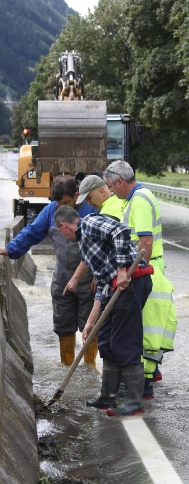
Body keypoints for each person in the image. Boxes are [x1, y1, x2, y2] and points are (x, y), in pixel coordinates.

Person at [54, 205, 152, 416]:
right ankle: (107, 396)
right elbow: (102, 283)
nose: (62, 235)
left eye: (60, 231)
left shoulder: (89, 223)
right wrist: (91, 321)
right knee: (106, 341)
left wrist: (122, 270)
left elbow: (121, 231)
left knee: (125, 342)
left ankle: (134, 401)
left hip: (131, 284)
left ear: (64, 226)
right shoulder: (84, 245)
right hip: (114, 287)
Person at [0, 176, 99, 366]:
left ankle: (90, 370)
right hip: (62, 280)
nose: (62, 207)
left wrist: (100, 275)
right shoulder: (51, 211)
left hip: (89, 282)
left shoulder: (92, 210)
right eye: (58, 203)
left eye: (66, 203)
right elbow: (32, 232)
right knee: (63, 326)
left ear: (77, 195)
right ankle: (67, 366)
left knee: (91, 327)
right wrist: (10, 249)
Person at [103, 160, 166, 391]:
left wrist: (139, 273)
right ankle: (147, 380)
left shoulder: (138, 200)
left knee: (141, 329)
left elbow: (145, 241)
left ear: (120, 181)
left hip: (147, 270)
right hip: (152, 268)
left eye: (111, 186)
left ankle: (143, 385)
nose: (110, 191)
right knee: (147, 327)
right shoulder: (142, 195)